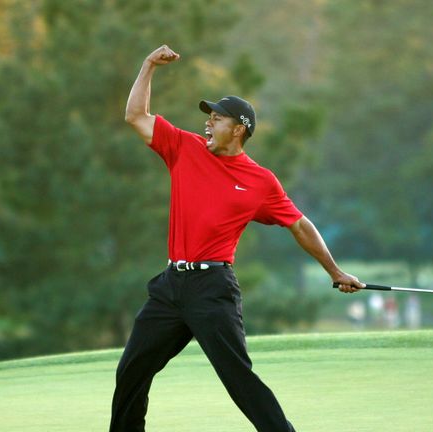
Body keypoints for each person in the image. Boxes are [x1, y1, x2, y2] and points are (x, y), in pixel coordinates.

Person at [109, 45, 365, 432]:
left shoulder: (261, 181)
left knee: (238, 378)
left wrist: (335, 271)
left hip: (212, 289)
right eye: (208, 118)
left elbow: (299, 224)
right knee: (131, 372)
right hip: (170, 287)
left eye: (217, 119)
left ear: (239, 128)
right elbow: (135, 116)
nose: (208, 125)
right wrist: (147, 66)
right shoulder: (184, 148)